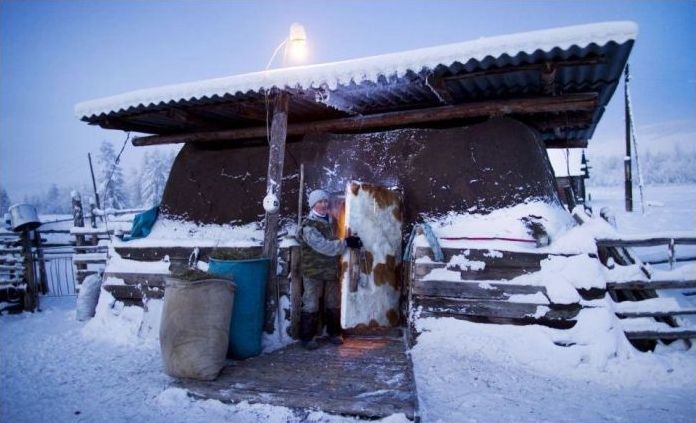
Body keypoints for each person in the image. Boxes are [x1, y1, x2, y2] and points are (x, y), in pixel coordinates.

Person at [298, 189, 362, 350]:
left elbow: (340, 237)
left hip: (331, 270)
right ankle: (307, 337)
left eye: (325, 201)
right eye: (319, 202)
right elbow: (324, 246)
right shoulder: (308, 226)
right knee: (311, 303)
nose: (323, 204)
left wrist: (350, 239)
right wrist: (346, 243)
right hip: (313, 271)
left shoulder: (333, 222)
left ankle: (333, 333)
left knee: (333, 302)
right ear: (313, 205)